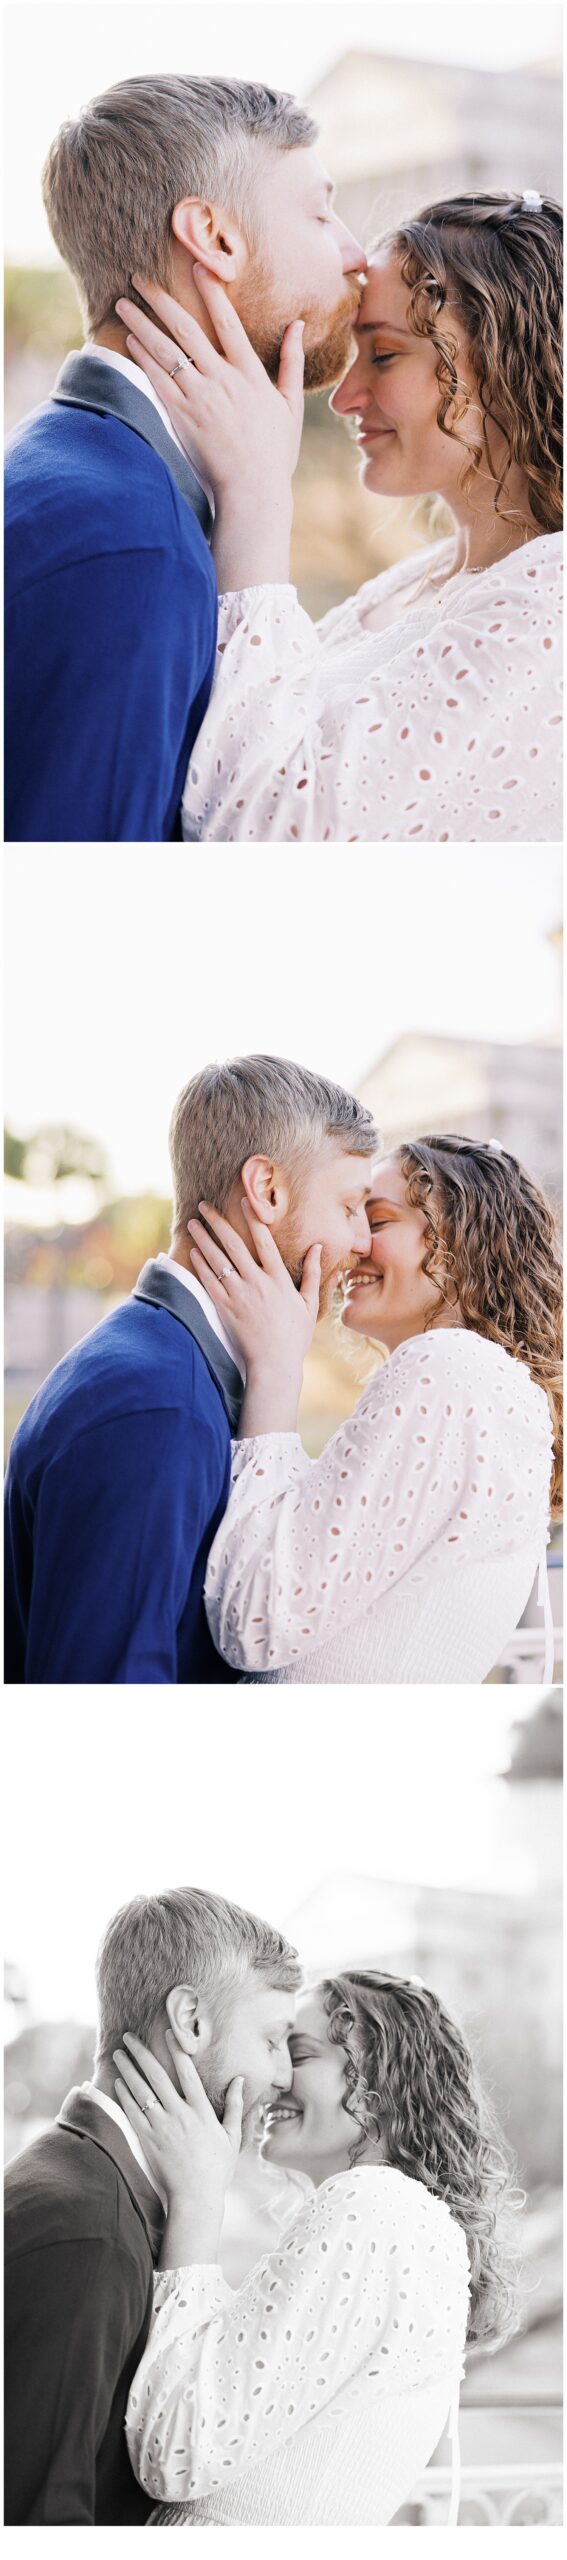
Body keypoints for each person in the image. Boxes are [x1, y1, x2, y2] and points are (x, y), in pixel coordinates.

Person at [124, 190, 563, 843]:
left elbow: (263, 836)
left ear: (505, 358)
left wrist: (256, 493)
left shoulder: (544, 612)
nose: (346, 396)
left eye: (382, 354)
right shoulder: (431, 577)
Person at [5, 75, 364, 842]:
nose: (355, 252)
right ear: (214, 238)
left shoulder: (72, 468)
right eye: (320, 212)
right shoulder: (126, 544)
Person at [4, 1057, 377, 1682]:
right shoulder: (156, 1408)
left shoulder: (162, 1364)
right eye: (349, 1207)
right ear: (267, 1191)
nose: (363, 1241)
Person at [123, 1970, 519, 2527]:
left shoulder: (372, 2208)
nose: (273, 2077)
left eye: (299, 2054)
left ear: (381, 2079)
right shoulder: (404, 2222)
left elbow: (174, 2451)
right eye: (272, 2048)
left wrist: (196, 2198)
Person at [191, 1135, 561, 1683]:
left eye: (379, 1220)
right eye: (350, 1214)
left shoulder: (450, 1370)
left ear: (465, 1240)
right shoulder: (482, 1385)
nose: (353, 1241)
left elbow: (255, 1620)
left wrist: (275, 1368)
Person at [4, 1885, 300, 2526]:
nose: (284, 2076)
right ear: (192, 2020)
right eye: (273, 2040)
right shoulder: (90, 2231)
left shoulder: (89, 2182)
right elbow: (40, 2522)